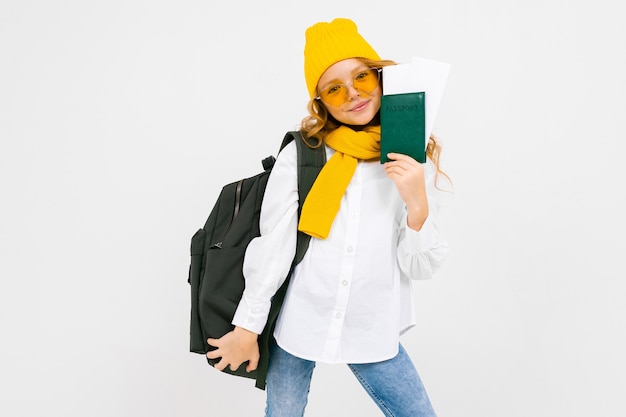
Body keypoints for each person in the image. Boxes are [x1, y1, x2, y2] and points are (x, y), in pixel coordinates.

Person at [207, 17, 450, 417]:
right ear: (320, 102)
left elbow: (419, 265)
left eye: (362, 78)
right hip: (300, 318)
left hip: (372, 324)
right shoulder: (303, 155)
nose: (353, 93)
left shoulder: (409, 153)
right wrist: (248, 326)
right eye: (335, 88)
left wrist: (417, 204)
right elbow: (275, 245)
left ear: (380, 77)